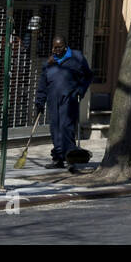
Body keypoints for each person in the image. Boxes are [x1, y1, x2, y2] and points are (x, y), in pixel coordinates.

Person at [34, 36, 93, 169]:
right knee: (55, 129)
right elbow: (43, 84)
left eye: (59, 47)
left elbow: (88, 76)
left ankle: (70, 157)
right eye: (54, 47)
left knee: (66, 127)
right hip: (53, 99)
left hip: (70, 98)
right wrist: (39, 101)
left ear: (65, 46)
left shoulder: (77, 57)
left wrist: (81, 90)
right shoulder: (49, 63)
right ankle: (58, 158)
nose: (56, 50)